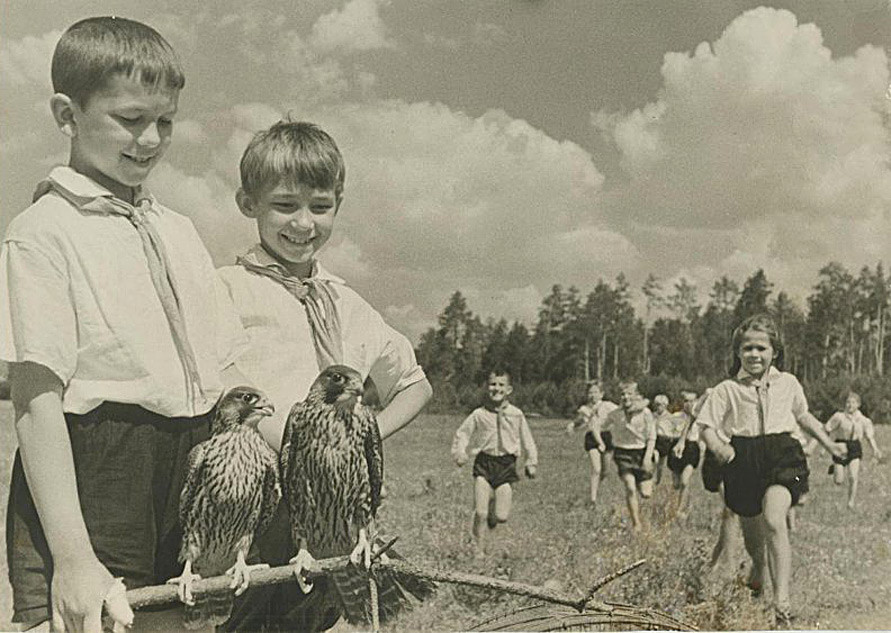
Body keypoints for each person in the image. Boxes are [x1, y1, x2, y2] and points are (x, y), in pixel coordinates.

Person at [0, 17, 250, 633]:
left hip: (185, 470)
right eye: (130, 119)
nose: (150, 139)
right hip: (93, 476)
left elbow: (224, 380)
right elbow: (36, 400)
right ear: (68, 114)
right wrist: (74, 559)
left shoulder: (180, 230)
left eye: (164, 122)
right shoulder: (42, 234)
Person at [217, 119, 433, 631]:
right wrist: (293, 449)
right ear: (248, 204)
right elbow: (220, 380)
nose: (303, 224)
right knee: (241, 620)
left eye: (320, 206)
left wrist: (362, 440)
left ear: (338, 203)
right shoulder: (225, 290)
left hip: (330, 511)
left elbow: (415, 384)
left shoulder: (347, 302)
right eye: (285, 206)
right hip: (254, 502)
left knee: (312, 619)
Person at [695, 314, 845, 627]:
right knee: (752, 533)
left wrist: (831, 447)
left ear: (774, 351)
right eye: (747, 348)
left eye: (761, 348)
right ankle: (759, 569)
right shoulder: (726, 389)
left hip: (782, 455)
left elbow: (804, 418)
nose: (754, 354)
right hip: (742, 458)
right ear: (737, 352)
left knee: (775, 519)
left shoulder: (788, 383)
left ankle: (782, 601)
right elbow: (706, 426)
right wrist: (718, 447)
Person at [452, 369, 538, 554]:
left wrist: (531, 461)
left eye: (501, 385)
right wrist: (460, 452)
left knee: (501, 516)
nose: (496, 388)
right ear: (487, 387)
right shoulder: (479, 414)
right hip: (484, 463)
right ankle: (478, 551)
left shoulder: (516, 414)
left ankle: (493, 509)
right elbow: (463, 433)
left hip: (506, 465)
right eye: (493, 384)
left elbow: (527, 438)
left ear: (509, 389)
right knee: (480, 512)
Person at [604, 381, 656, 532]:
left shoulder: (645, 413)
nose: (625, 397)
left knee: (646, 494)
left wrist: (648, 457)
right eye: (623, 394)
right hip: (622, 453)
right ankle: (636, 523)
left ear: (636, 396)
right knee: (630, 487)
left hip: (641, 452)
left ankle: (648, 476)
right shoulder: (615, 414)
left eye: (629, 394)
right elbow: (602, 425)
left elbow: (651, 436)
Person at [825, 392, 884, 509]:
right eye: (847, 402)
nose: (849, 405)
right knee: (839, 481)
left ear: (858, 404)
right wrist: (826, 445)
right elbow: (827, 428)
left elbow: (869, 437)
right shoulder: (839, 417)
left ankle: (850, 502)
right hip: (840, 446)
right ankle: (835, 467)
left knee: (853, 476)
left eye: (853, 402)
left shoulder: (863, 420)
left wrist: (875, 449)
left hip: (854, 447)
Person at [566, 380, 618, 506]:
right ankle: (592, 499)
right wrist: (572, 424)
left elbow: (619, 413)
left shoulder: (608, 405)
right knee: (596, 468)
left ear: (601, 394)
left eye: (595, 392)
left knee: (605, 471)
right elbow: (580, 421)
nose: (592, 395)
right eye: (590, 393)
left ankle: (593, 490)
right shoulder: (585, 408)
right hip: (592, 438)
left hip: (606, 436)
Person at [667, 390, 703, 518]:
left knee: (684, 481)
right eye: (686, 401)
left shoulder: (700, 418)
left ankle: (681, 510)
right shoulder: (675, 416)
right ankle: (676, 505)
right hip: (676, 447)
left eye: (692, 401)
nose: (689, 404)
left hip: (691, 448)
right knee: (676, 484)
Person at [652, 394, 683, 485]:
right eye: (657, 405)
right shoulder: (652, 415)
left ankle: (657, 479)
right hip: (655, 438)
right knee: (655, 458)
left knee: (661, 464)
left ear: (665, 406)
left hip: (665, 441)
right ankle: (652, 478)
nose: (659, 407)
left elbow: (677, 429)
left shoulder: (670, 417)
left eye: (661, 405)